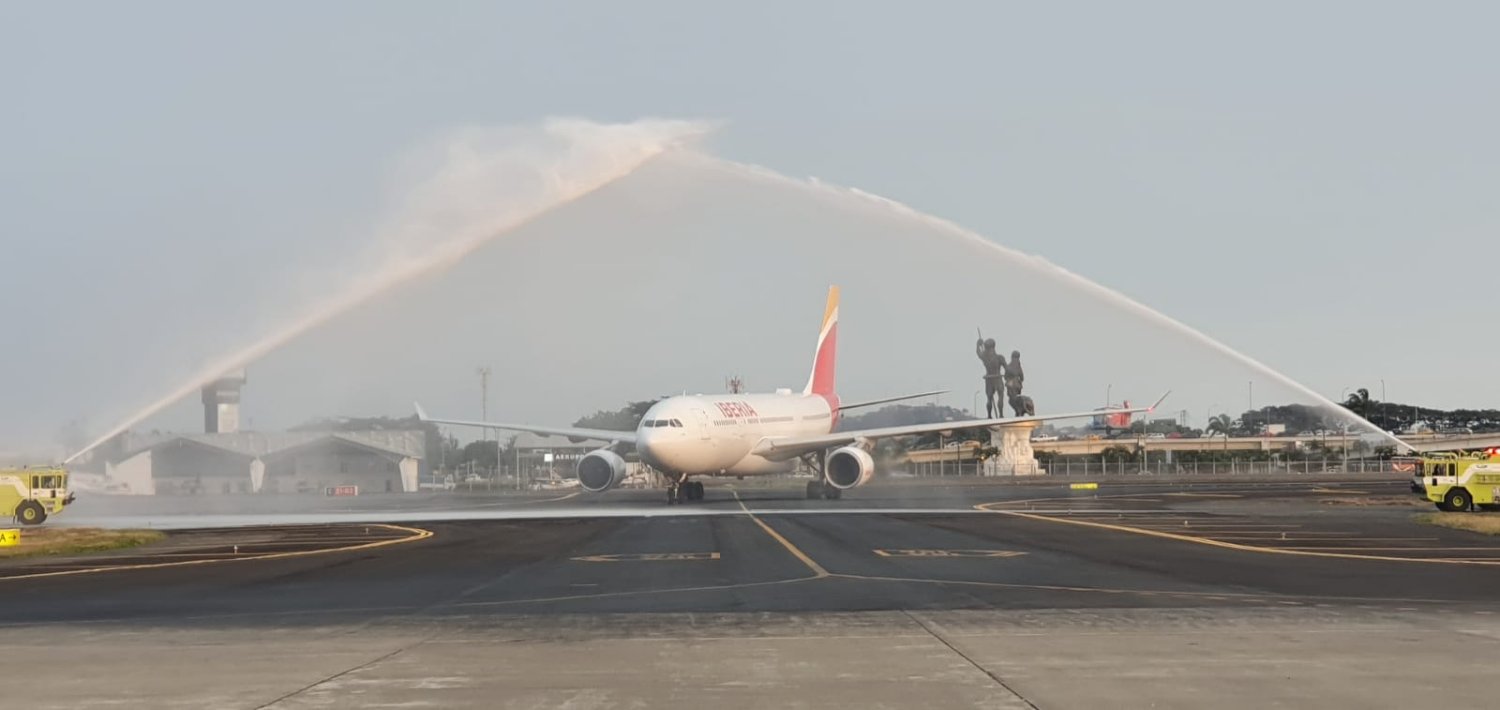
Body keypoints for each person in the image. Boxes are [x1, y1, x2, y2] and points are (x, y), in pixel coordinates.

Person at [976, 338, 1006, 418]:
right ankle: (1001, 414)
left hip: (989, 379)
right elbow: (1007, 369)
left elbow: (978, 353)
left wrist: (978, 345)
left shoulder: (985, 358)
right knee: (1000, 396)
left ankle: (989, 415)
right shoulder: (1000, 358)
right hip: (997, 378)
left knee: (989, 398)